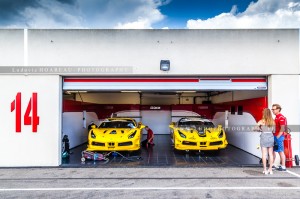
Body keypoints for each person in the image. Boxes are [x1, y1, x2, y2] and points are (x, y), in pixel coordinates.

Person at [255, 108, 275, 175]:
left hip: (264, 137)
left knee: (264, 154)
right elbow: (274, 131)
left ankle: (265, 170)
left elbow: (255, 128)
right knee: (271, 154)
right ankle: (270, 170)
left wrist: (260, 130)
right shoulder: (273, 121)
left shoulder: (261, 121)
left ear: (264, 113)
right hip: (271, 137)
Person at [271, 104, 287, 171]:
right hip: (275, 136)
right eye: (272, 109)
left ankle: (283, 166)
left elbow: (282, 129)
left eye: (274, 109)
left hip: (279, 137)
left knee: (280, 151)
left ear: (278, 109)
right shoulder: (276, 117)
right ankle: (272, 165)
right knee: (274, 151)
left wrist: (277, 137)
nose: (273, 111)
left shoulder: (281, 117)